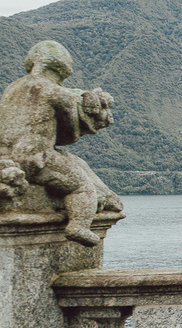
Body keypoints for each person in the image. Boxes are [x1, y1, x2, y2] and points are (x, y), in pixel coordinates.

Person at [0, 40, 123, 246]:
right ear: (62, 67)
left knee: (75, 161)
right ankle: (79, 226)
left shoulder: (13, 89)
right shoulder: (55, 92)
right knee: (82, 186)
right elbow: (71, 133)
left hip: (5, 155)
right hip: (35, 156)